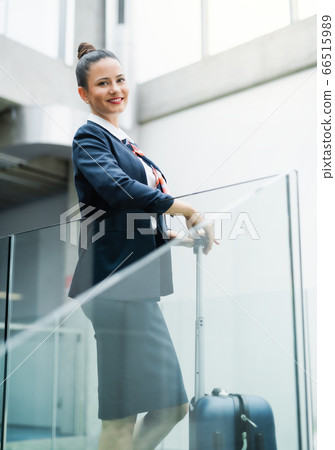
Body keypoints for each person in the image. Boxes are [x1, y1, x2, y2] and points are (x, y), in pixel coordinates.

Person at [68, 42, 215, 450]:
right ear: (84, 94)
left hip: (136, 286)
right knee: (122, 417)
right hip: (116, 287)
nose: (115, 89)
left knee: (170, 407)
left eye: (119, 80)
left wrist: (171, 235)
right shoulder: (89, 137)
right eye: (102, 83)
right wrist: (182, 208)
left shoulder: (123, 141)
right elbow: (118, 191)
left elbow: (125, 216)